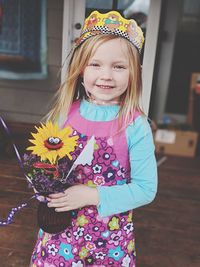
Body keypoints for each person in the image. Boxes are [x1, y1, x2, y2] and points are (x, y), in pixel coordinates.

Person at [30, 10, 157, 267]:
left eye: (119, 66)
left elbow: (146, 189)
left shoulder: (135, 125)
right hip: (59, 235)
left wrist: (91, 195)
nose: (106, 75)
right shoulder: (64, 114)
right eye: (95, 64)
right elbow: (46, 164)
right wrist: (41, 184)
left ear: (135, 72)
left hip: (108, 241)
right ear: (80, 69)